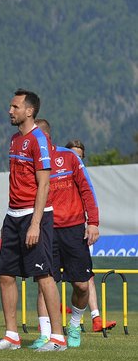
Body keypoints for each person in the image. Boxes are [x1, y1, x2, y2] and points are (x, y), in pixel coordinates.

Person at [0, 89, 65, 351]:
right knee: (5, 275)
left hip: (35, 217)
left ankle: (57, 338)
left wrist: (34, 223)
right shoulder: (12, 139)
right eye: (10, 106)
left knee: (43, 276)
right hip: (13, 215)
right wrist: (12, 216)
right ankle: (11, 336)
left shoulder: (38, 140)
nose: (10, 111)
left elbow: (44, 185)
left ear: (29, 111)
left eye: (15, 107)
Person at [32, 120, 99, 348]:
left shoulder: (69, 158)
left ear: (46, 137)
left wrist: (94, 223)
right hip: (46, 230)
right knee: (45, 283)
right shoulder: (31, 163)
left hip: (73, 230)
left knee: (81, 285)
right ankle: (45, 334)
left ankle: (74, 323)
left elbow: (87, 191)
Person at [63, 139, 115, 333]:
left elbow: (89, 198)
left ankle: (95, 317)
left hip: (78, 231)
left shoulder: (83, 176)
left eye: (80, 156)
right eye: (73, 155)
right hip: (56, 230)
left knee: (86, 277)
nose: (77, 159)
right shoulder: (57, 172)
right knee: (48, 277)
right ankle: (48, 325)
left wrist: (92, 224)